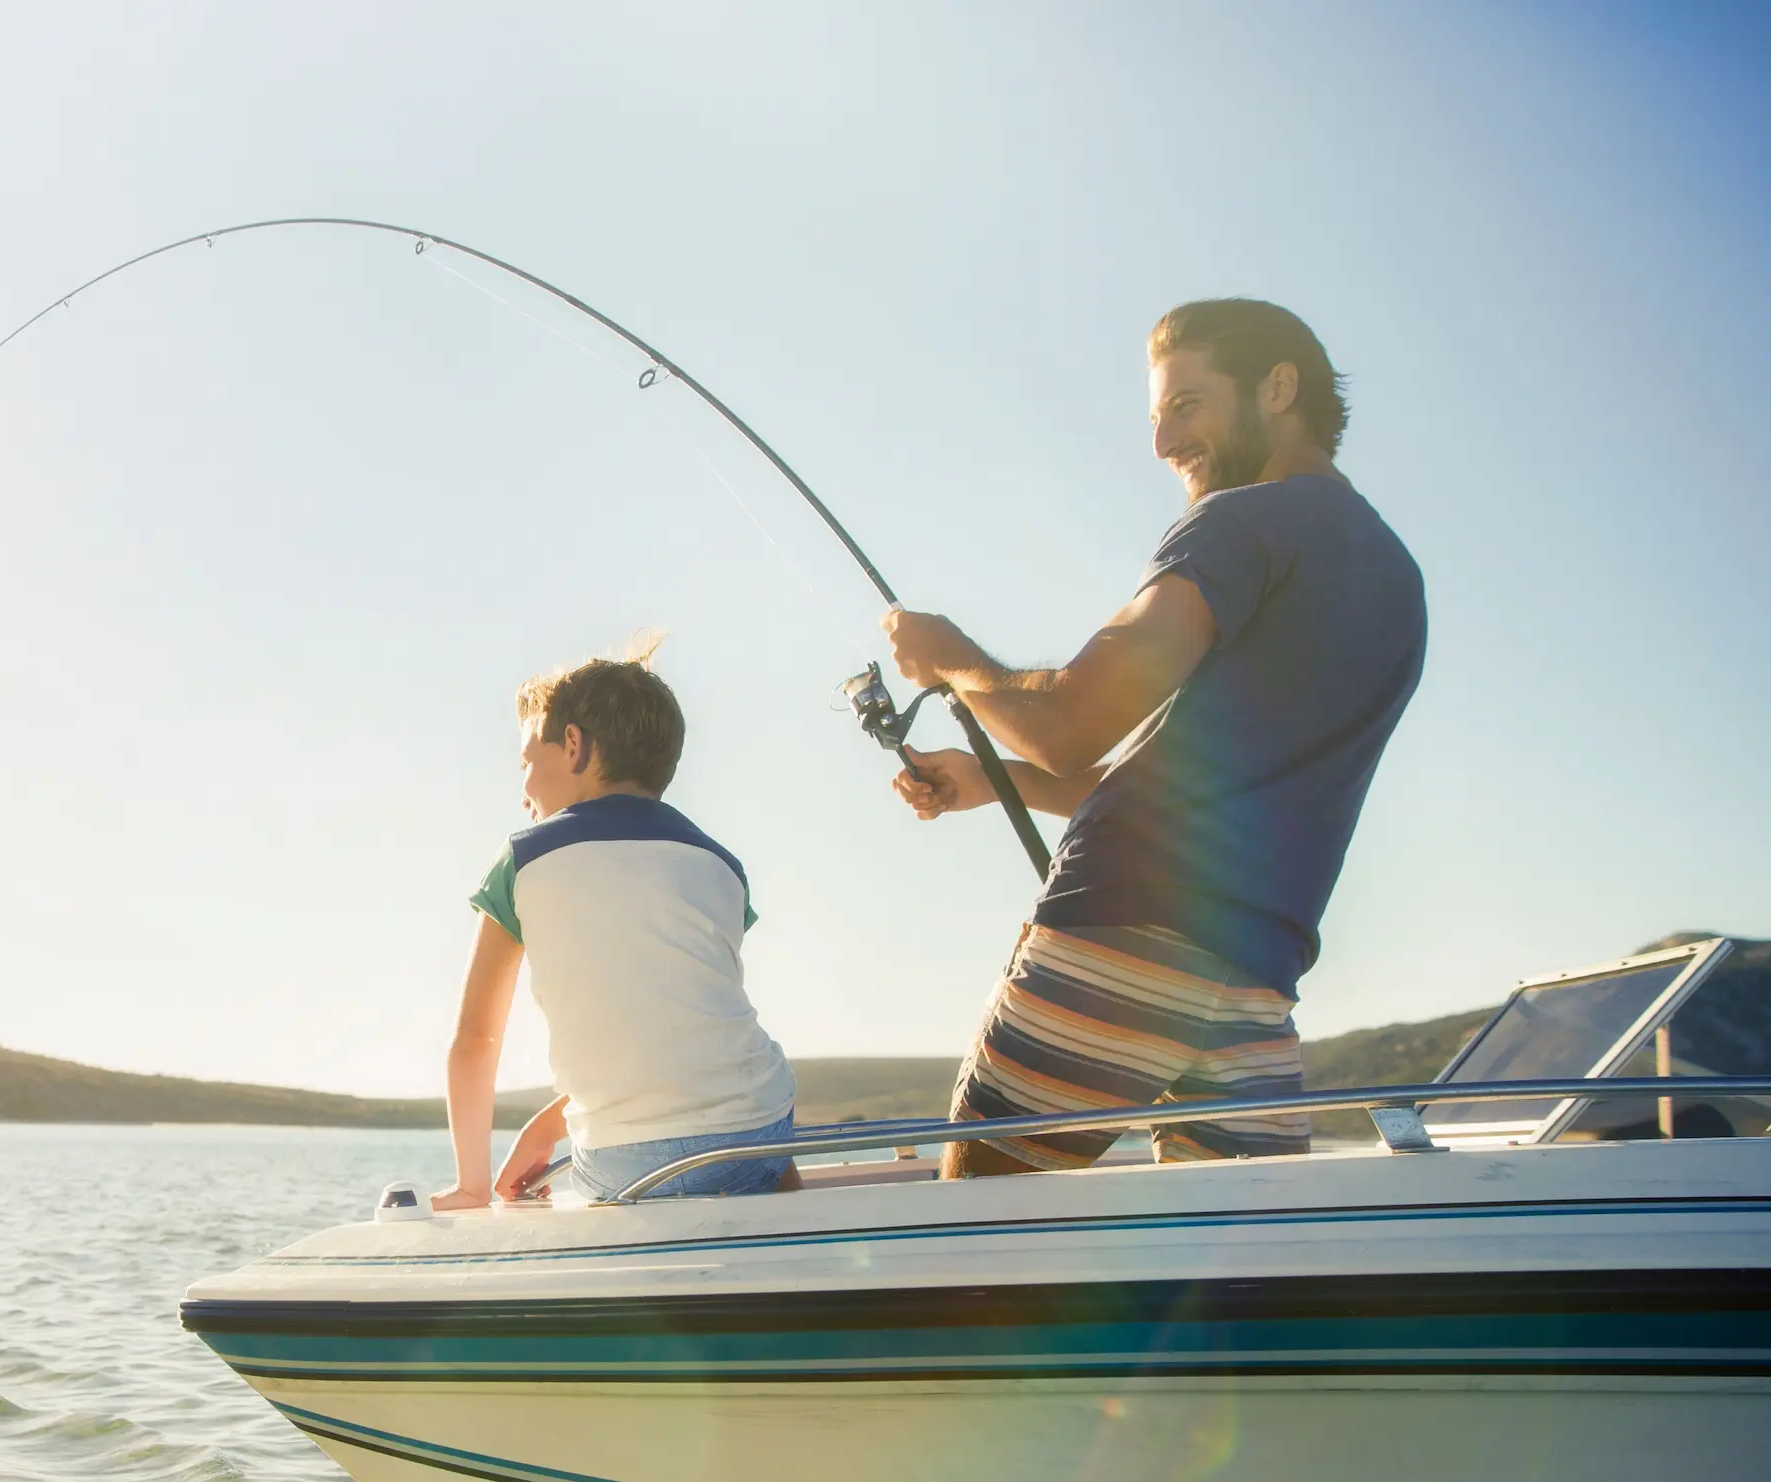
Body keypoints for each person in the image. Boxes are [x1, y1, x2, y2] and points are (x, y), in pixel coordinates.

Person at [885, 298, 1426, 1175]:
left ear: (1278, 388)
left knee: (981, 1247)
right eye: (1156, 416)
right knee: (1229, 1285)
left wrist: (950, 659)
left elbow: (1067, 723)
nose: (1162, 445)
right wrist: (994, 780)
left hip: (1122, 938)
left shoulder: (1241, 525)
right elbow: (1212, 783)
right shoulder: (1397, 581)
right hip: (1254, 984)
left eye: (1186, 406)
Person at [431, 638, 798, 1207]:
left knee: (608, 1185)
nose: (524, 786)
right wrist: (546, 1126)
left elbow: (475, 1041)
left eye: (528, 762)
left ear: (574, 745)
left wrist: (471, 1185)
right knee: (759, 1139)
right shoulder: (722, 864)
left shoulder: (524, 859)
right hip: (760, 1134)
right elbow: (680, 1030)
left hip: (624, 1161)